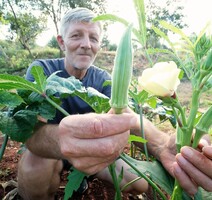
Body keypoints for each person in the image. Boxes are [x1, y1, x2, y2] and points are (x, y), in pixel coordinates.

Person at [17, 7, 212, 200]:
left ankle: (85, 177)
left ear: (99, 45)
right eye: (76, 35)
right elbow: (32, 130)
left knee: (138, 181)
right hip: (51, 153)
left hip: (93, 154)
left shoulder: (103, 78)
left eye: (93, 38)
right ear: (62, 41)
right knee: (35, 169)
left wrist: (162, 144)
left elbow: (129, 117)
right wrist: (62, 139)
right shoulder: (42, 69)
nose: (86, 44)